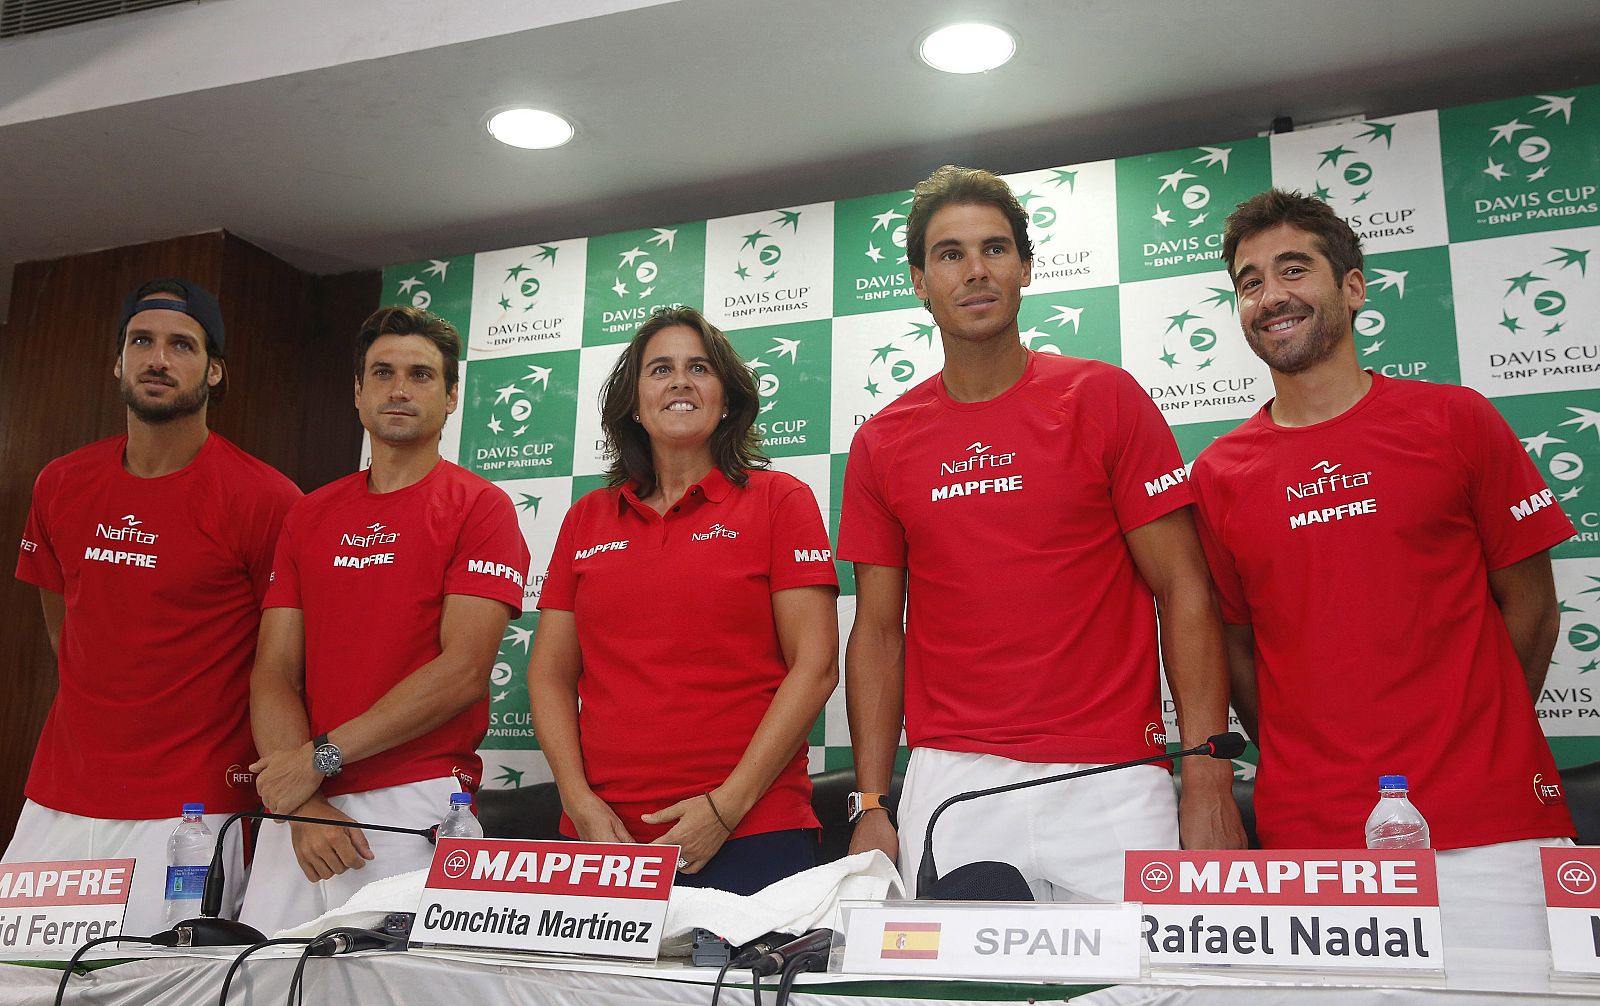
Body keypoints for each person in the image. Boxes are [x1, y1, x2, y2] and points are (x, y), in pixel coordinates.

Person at [838, 166, 1244, 901]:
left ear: (1026, 266)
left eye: (995, 248)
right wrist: (870, 802)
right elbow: (877, 632)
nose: (975, 270)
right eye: (949, 254)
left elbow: (1185, 587)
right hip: (953, 779)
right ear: (918, 281)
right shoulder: (882, 441)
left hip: (1114, 777)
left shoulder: (1103, 397)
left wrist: (1207, 774)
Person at [1192, 188, 1575, 949]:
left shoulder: (1457, 420)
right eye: (1250, 281)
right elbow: (1238, 651)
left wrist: (1476, 742)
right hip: (1312, 843)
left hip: (1493, 826)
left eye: (1293, 269)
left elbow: (1533, 608)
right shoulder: (1217, 474)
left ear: (1354, 286)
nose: (1272, 296)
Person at [7, 278, 301, 935]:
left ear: (214, 370)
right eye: (141, 341)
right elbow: (66, 627)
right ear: (117, 361)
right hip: (59, 797)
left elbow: (285, 663)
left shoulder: (267, 499)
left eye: (181, 345)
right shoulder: (60, 482)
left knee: (156, 986)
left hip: (190, 812)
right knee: (22, 981)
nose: (158, 359)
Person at [528, 306, 838, 896]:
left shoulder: (780, 501)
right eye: (659, 369)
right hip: (601, 837)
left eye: (699, 367)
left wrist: (726, 808)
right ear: (634, 402)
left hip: (750, 829)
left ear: (728, 397)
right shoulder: (585, 519)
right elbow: (548, 676)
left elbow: (816, 665)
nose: (679, 381)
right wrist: (578, 803)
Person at [241, 306, 529, 934]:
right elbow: (273, 673)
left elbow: (463, 671)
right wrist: (306, 802)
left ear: (452, 397)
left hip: (414, 801)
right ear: (358, 392)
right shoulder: (309, 515)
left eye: (422, 375)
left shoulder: (481, 507)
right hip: (304, 810)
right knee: (259, 982)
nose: (400, 389)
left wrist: (320, 760)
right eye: (383, 373)